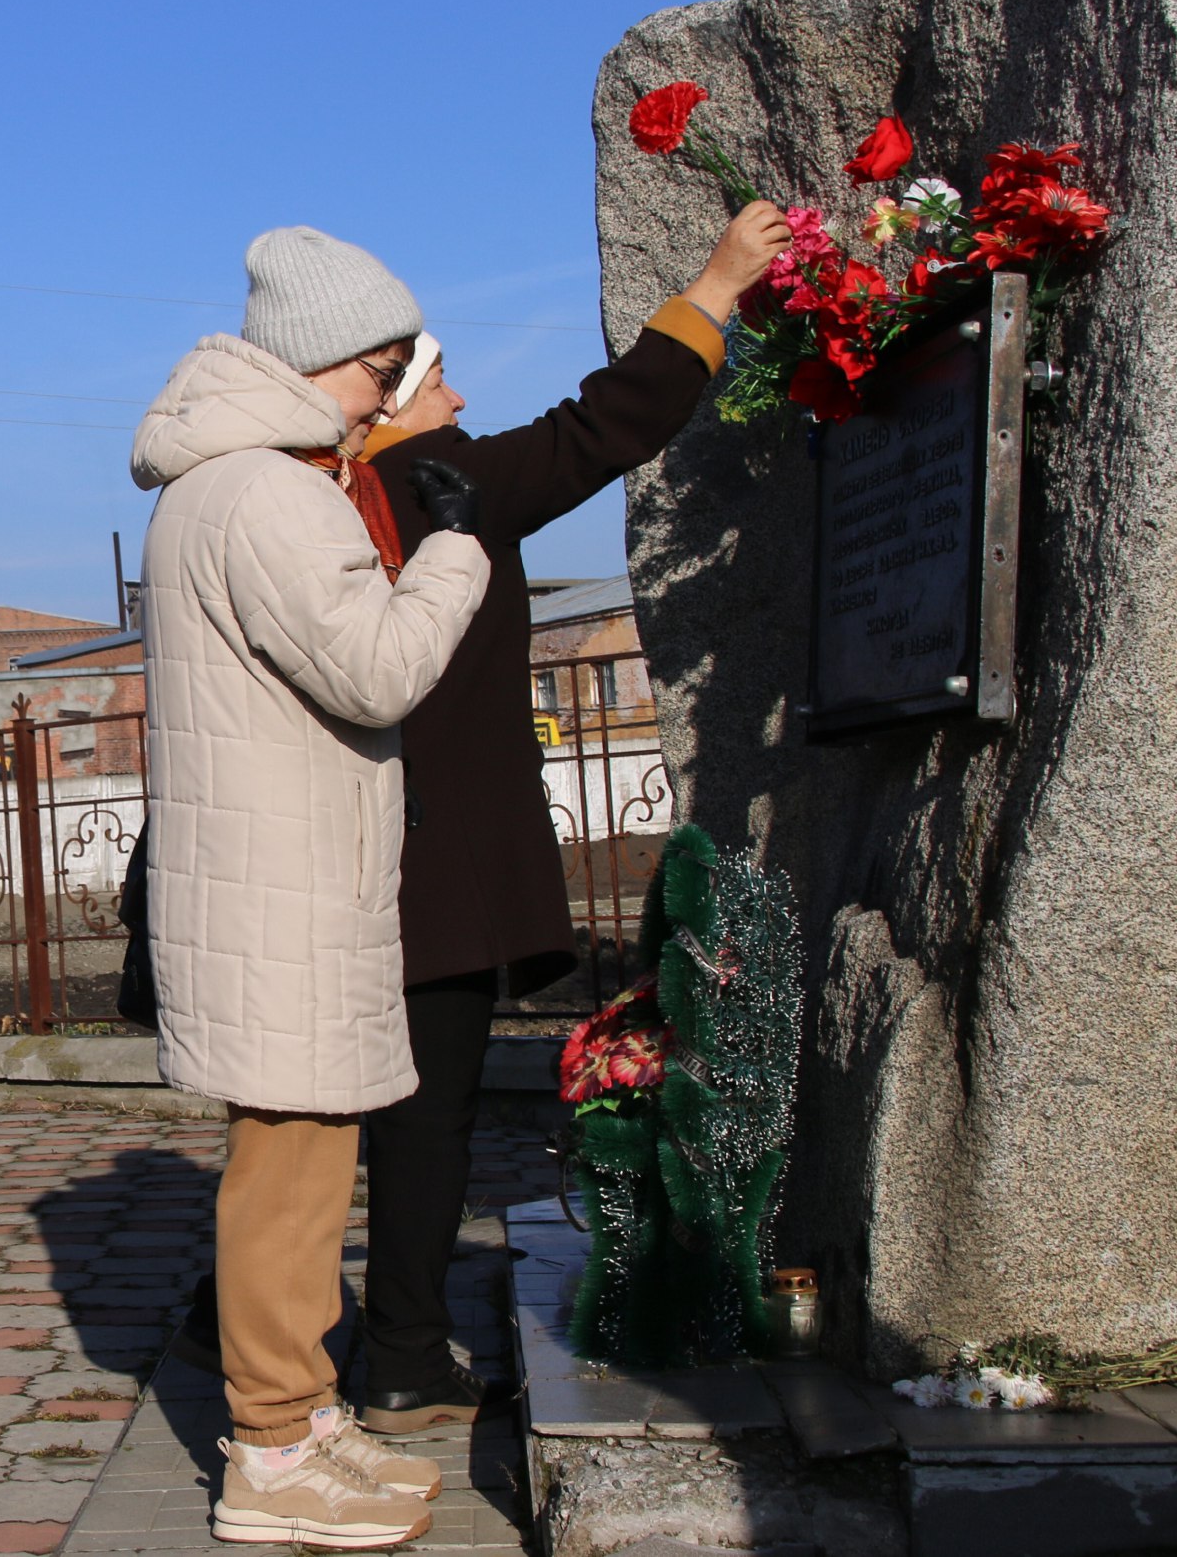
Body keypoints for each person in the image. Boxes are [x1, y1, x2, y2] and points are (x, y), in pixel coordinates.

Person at [337, 201, 790, 1436]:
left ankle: (322, 1340)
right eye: (430, 376)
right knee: (426, 1123)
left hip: (336, 861)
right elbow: (610, 424)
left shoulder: (310, 498)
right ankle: (403, 1353)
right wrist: (715, 284)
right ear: (382, 395)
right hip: (437, 869)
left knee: (334, 1123)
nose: (458, 392)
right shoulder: (439, 485)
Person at [133, 229, 490, 1549]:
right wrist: (452, 550)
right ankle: (272, 1449)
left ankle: (302, 1412)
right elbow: (379, 667)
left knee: (301, 1161)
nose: (390, 394)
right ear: (316, 360)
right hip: (280, 888)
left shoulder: (221, 485)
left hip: (269, 877)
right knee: (288, 1177)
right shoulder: (271, 495)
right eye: (382, 367)